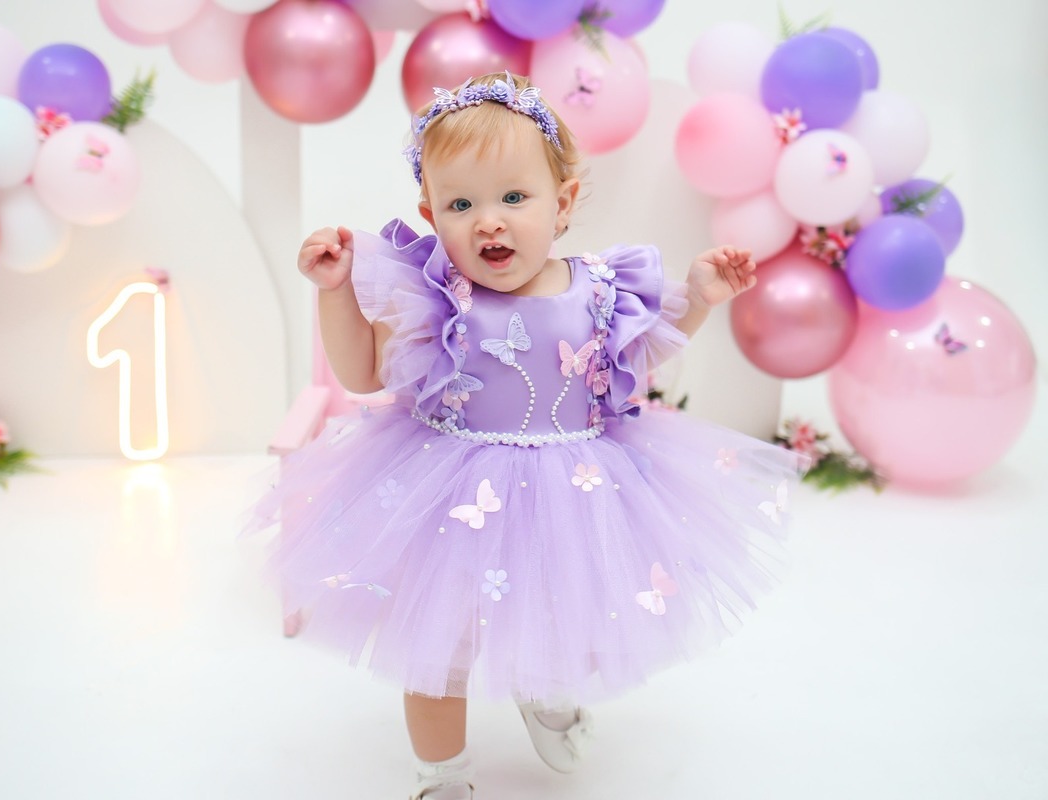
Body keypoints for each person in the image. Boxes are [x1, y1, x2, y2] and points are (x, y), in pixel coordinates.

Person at [250, 72, 807, 800]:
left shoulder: (599, 290)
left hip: (572, 489)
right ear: (431, 215)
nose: (489, 221)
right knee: (438, 647)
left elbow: (637, 355)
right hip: (449, 494)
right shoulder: (435, 297)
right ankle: (442, 774)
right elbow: (360, 372)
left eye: (514, 197)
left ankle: (544, 694)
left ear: (563, 203)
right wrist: (334, 292)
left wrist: (698, 298)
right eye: (461, 204)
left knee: (564, 615)